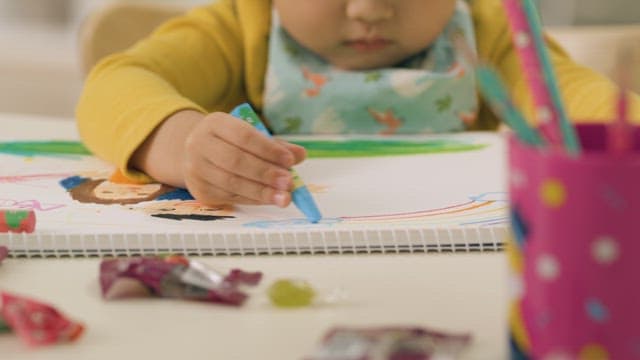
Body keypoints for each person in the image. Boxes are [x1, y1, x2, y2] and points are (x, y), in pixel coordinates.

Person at [76, 0, 640, 208]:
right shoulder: (238, 27)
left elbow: (578, 101)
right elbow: (116, 83)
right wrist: (178, 140)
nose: (370, 9)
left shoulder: (493, 32)